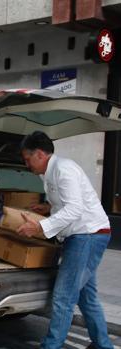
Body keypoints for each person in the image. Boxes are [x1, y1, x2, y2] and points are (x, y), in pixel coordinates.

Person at [17, 131, 113, 349]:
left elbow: (75, 209)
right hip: (84, 235)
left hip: (87, 236)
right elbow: (68, 203)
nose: (26, 164)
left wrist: (40, 226)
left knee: (64, 296)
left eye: (28, 159)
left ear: (40, 154)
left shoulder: (63, 169)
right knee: (86, 298)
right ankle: (102, 344)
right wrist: (48, 208)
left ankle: (51, 345)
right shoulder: (50, 172)